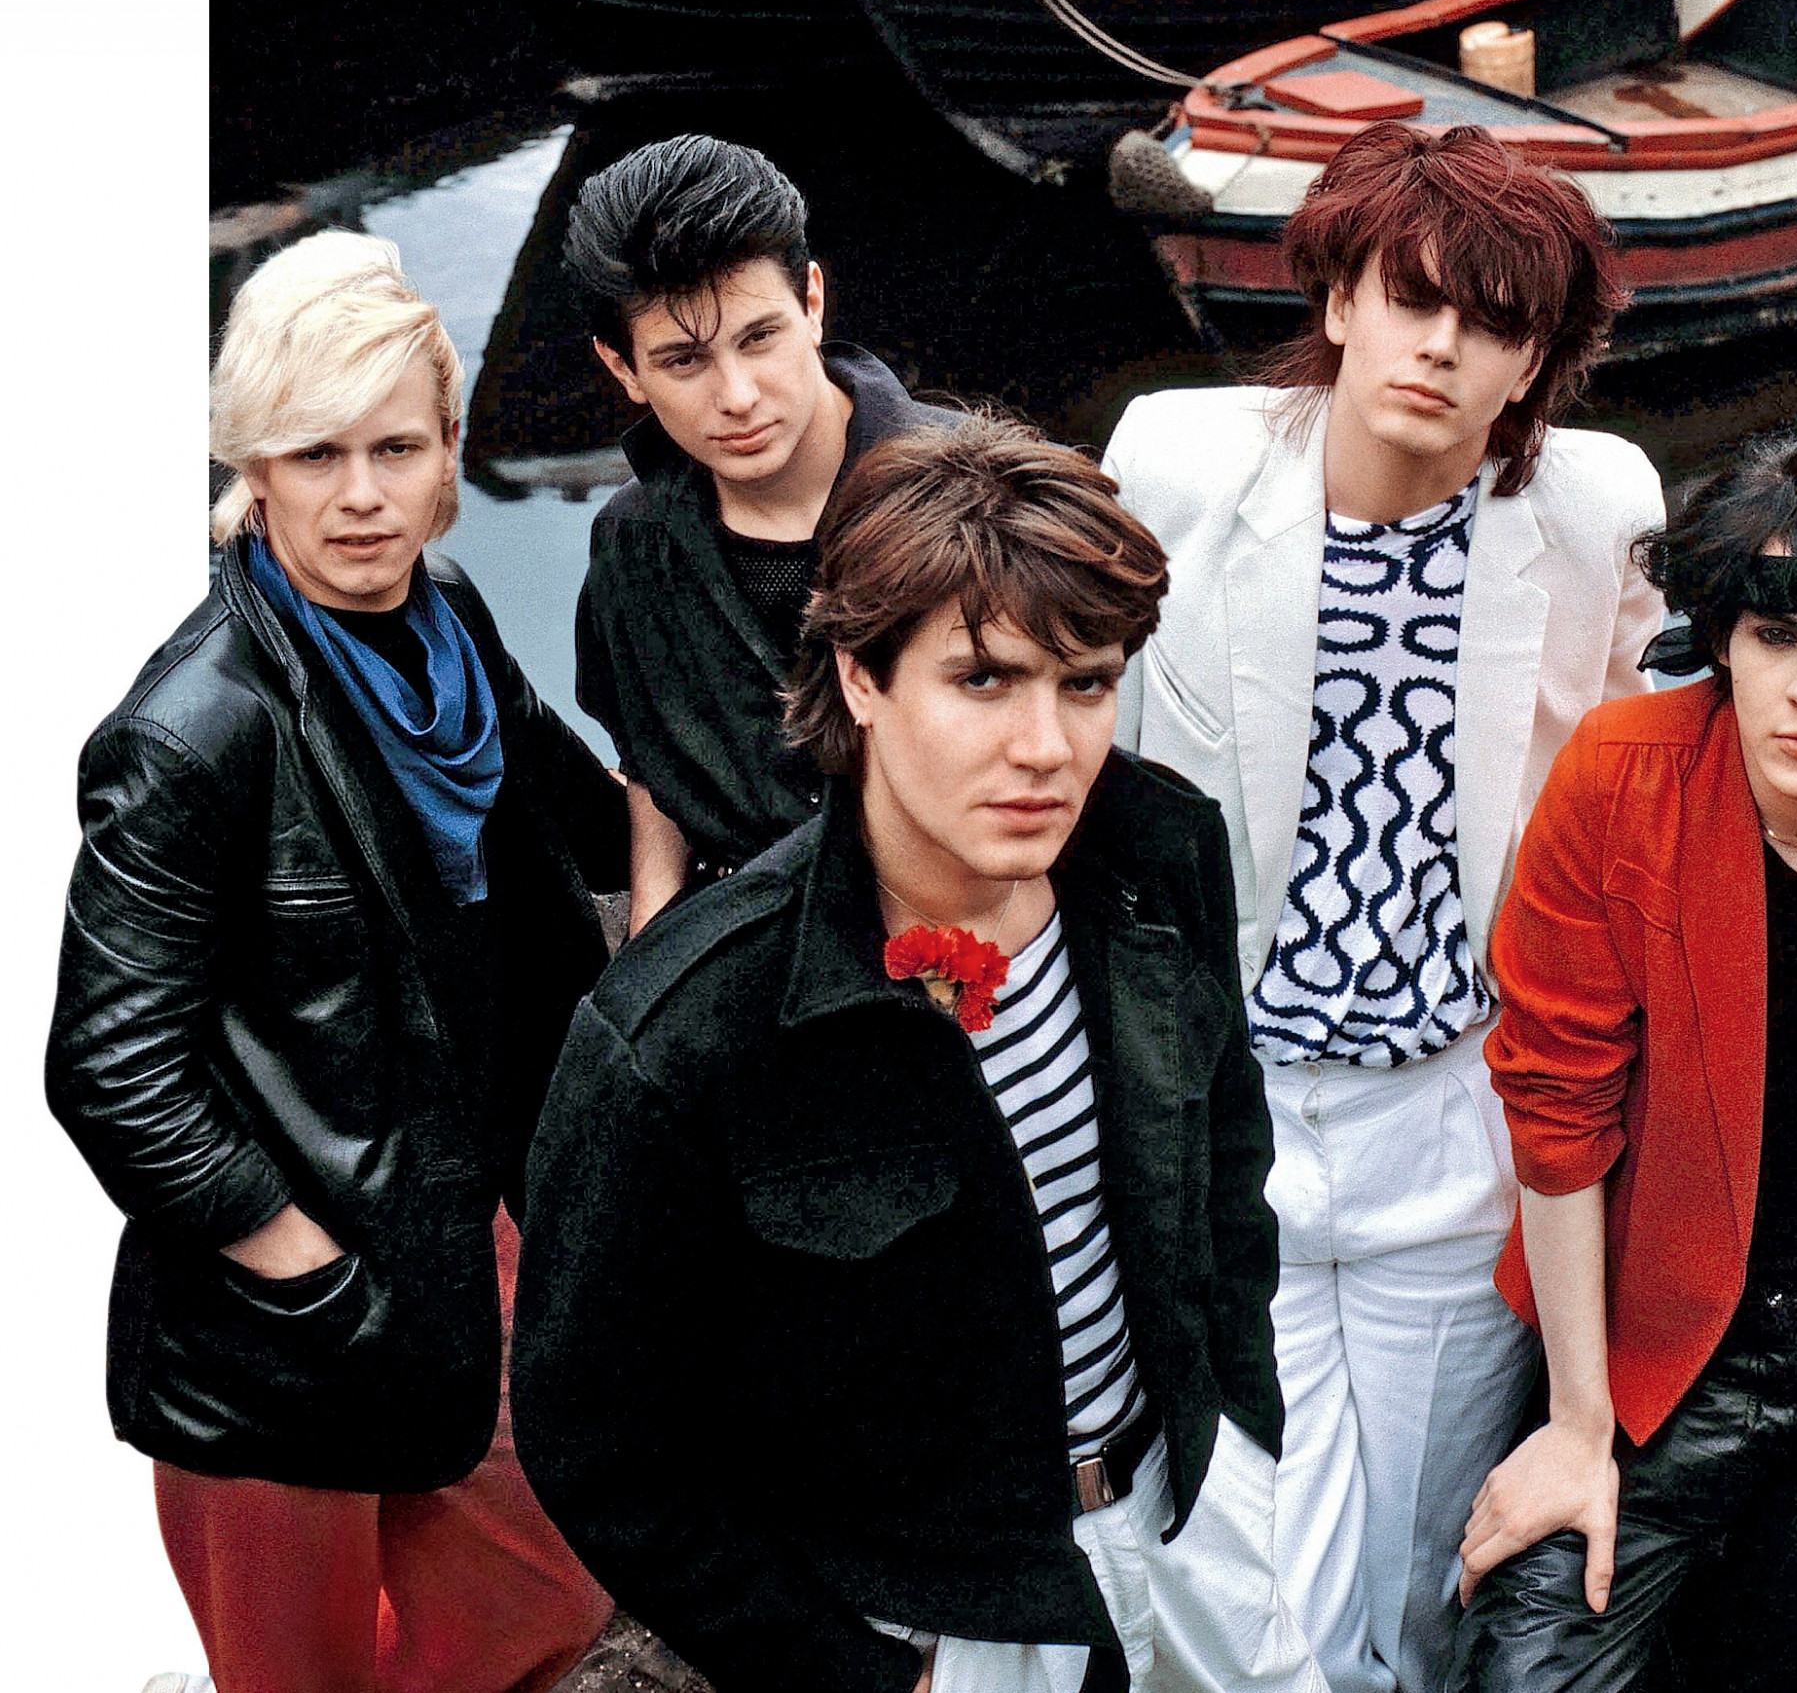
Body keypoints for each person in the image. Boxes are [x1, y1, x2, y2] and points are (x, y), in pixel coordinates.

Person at [513, 416, 1327, 1693]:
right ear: (859, 678)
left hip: (1192, 1520)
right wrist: (852, 1672)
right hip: (936, 1621)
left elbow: (1224, 1175)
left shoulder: (1157, 857)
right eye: (983, 680)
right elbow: (599, 1441)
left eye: (1085, 683)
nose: (1045, 747)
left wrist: (1239, 1437)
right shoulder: (687, 1027)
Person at [1101, 121, 1666, 1693]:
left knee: (1423, 1585)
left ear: (1535, 360)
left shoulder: (1595, 512)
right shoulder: (1173, 470)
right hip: (1238, 1103)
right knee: (1260, 1599)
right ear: (1340, 299)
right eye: (1411, 299)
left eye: (1493, 323)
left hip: (1457, 1113)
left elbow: (1626, 773)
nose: (1440, 347)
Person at [45, 231, 628, 1693]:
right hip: (275, 1316)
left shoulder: (447, 627)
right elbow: (111, 1070)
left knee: (551, 1585)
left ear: (447, 455)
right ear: (256, 469)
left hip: (458, 1223)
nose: (362, 496)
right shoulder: (192, 732)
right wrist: (302, 1271)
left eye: (395, 448)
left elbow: (591, 819)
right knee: (291, 1670)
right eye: (317, 454)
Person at [1447, 431, 1797, 1693]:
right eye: (1773, 636)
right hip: (1647, 1351)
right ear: (1719, 638)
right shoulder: (1619, 776)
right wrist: (1575, 1423)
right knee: (1527, 1672)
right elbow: (1555, 1105)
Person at [566, 132, 958, 933]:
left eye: (759, 337)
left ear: (812, 302)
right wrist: (648, 937)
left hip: (956, 933)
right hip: (737, 934)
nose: (738, 396)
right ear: (623, 368)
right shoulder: (630, 543)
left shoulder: (981, 499)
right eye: (684, 362)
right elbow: (650, 765)